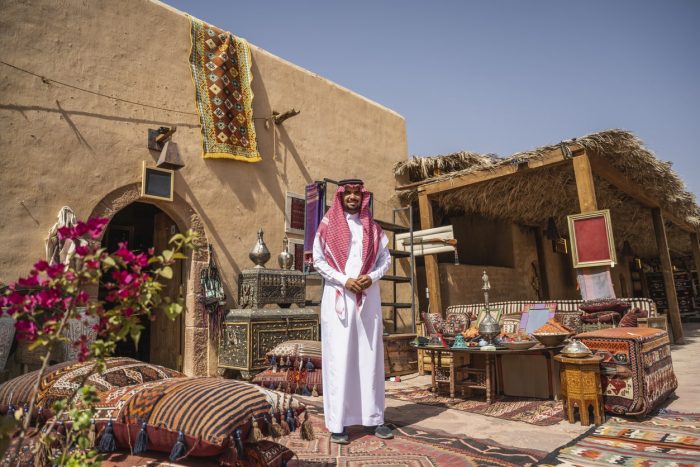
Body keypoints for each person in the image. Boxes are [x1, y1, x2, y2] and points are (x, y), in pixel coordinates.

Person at [313, 179, 393, 444]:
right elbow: (318, 260)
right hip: (339, 299)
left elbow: (385, 260)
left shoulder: (374, 228)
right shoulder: (327, 225)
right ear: (340, 196)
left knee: (370, 356)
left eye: (356, 194)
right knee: (340, 358)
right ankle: (338, 424)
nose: (352, 198)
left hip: (368, 298)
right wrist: (344, 280)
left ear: (363, 197)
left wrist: (370, 277)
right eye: (347, 193)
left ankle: (374, 419)